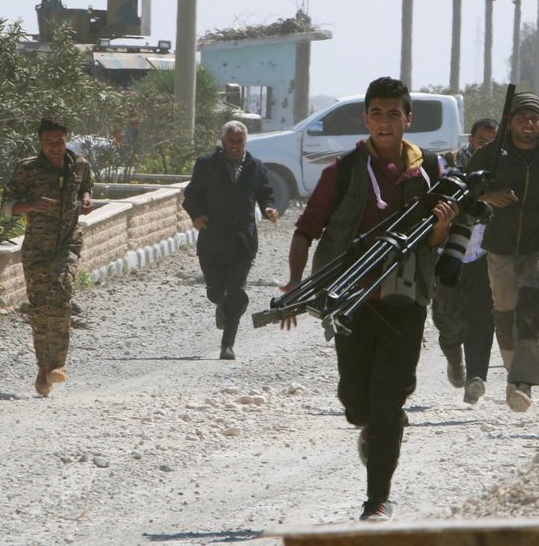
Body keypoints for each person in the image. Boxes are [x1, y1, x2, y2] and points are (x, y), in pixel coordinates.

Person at [283, 76, 457, 522]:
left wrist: (441, 225)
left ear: (407, 119)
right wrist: (295, 282)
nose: (385, 121)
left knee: (387, 402)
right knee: (356, 402)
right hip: (352, 303)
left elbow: (436, 241)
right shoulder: (342, 172)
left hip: (405, 302)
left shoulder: (429, 171)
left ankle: (377, 498)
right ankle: (374, 428)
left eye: (393, 113)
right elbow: (305, 230)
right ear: (365, 118)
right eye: (377, 113)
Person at [467, 91, 539, 412]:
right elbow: (467, 188)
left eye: (534, 119)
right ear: (511, 121)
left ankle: (522, 383)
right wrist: (489, 196)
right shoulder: (490, 155)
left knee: (530, 305)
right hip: (500, 245)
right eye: (522, 118)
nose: (528, 124)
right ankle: (514, 371)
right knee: (504, 313)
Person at [1, 117, 94, 396]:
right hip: (37, 249)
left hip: (68, 243)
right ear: (40, 143)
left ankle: (57, 365)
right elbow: (7, 206)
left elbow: (86, 186)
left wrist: (86, 198)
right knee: (40, 307)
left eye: (59, 141)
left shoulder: (79, 164)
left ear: (66, 139)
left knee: (62, 293)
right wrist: (32, 205)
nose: (55, 147)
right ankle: (44, 368)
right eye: (48, 142)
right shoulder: (27, 169)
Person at [182, 120, 278, 361]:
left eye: (239, 141)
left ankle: (227, 345)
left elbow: (265, 193)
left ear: (245, 142)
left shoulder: (255, 166)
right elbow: (191, 195)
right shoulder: (206, 165)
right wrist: (197, 215)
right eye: (231, 141)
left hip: (242, 241)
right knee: (216, 292)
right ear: (223, 141)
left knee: (236, 292)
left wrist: (269, 208)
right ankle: (221, 304)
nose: (235, 145)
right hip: (212, 238)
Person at [430, 118, 500, 403]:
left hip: (483, 255)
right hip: (448, 252)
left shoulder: (502, 171)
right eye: (482, 142)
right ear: (471, 140)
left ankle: (476, 378)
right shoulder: (446, 165)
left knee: (481, 318)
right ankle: (454, 358)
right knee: (447, 320)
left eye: (493, 144)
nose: (486, 148)